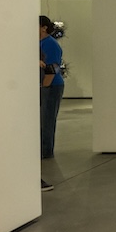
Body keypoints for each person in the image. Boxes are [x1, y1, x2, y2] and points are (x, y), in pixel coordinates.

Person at [39, 15, 65, 161]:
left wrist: (44, 86)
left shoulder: (50, 44)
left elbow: (52, 68)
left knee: (47, 119)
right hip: (44, 86)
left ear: (44, 28)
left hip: (51, 86)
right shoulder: (40, 43)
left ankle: (45, 150)